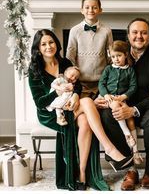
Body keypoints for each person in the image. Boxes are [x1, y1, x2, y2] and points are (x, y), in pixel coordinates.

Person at [28, 29, 133, 191]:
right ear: (38, 48)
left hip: (70, 105)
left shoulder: (64, 63)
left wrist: (76, 95)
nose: (48, 46)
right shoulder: (35, 70)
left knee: (84, 118)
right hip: (51, 113)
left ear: (56, 43)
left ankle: (82, 174)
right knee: (87, 101)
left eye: (51, 42)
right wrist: (58, 91)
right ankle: (110, 148)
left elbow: (77, 86)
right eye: (43, 44)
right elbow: (39, 103)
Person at [96, 18, 149, 190]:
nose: (139, 36)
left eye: (144, 33)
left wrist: (134, 109)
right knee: (108, 114)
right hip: (120, 107)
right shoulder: (119, 56)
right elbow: (106, 81)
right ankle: (130, 170)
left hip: (147, 110)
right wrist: (100, 97)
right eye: (135, 32)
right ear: (128, 36)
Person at [98, 40, 143, 165]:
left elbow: (133, 87)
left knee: (130, 119)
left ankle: (135, 151)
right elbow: (101, 83)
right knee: (117, 107)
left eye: (119, 56)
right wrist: (106, 95)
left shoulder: (130, 70)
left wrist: (123, 96)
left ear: (125, 55)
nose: (116, 59)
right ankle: (127, 134)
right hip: (107, 98)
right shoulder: (108, 69)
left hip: (121, 99)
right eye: (113, 56)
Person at [66, 0, 113, 99]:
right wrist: (73, 78)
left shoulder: (106, 31)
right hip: (81, 83)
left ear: (100, 10)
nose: (90, 10)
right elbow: (70, 57)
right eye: (87, 7)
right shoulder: (75, 31)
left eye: (94, 7)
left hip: (102, 83)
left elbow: (110, 56)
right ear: (81, 10)